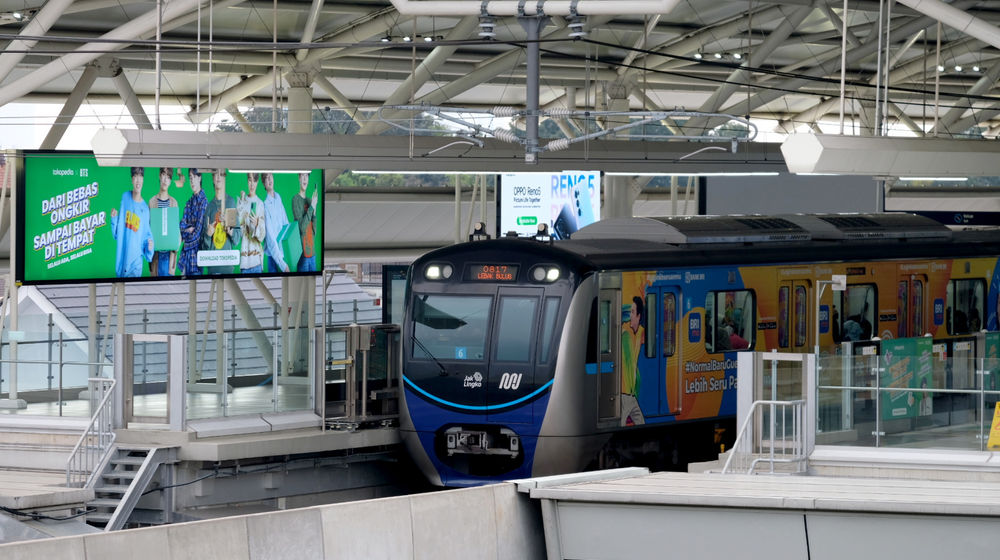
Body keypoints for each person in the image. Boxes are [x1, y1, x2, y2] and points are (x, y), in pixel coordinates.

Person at [110, 167, 154, 277]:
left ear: (143, 179)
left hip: (135, 265)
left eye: (140, 176)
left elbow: (146, 238)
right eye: (135, 177)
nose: (138, 180)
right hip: (122, 262)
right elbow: (117, 233)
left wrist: (150, 248)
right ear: (132, 179)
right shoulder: (125, 198)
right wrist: (114, 219)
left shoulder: (145, 209)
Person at [202, 169, 241, 274]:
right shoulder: (209, 207)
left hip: (228, 265)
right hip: (212, 267)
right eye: (216, 174)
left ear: (225, 177)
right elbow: (204, 246)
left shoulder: (230, 202)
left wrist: (230, 231)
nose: (218, 177)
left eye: (221, 174)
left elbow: (236, 239)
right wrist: (208, 235)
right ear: (213, 178)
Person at [148, 167, 178, 276]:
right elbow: (148, 228)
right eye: (164, 175)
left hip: (169, 254)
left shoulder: (174, 202)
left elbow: (176, 230)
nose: (165, 180)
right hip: (156, 254)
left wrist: (177, 244)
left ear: (170, 181)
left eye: (169, 177)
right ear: (160, 176)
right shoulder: (151, 202)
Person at [178, 168, 208, 276]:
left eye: (194, 177)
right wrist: (188, 229)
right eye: (190, 178)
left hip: (196, 262)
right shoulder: (188, 202)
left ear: (199, 178)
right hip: (184, 261)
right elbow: (181, 227)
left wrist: (185, 237)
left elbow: (198, 234)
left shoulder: (204, 202)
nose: (192, 181)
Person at [620, 296, 645, 426]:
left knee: (640, 421)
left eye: (633, 312)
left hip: (631, 393)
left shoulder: (641, 332)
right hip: (624, 392)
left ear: (639, 316)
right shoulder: (625, 333)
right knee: (623, 422)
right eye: (629, 312)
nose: (630, 315)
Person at [237, 172, 266, 273]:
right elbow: (239, 232)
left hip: (257, 261)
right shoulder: (242, 203)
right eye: (250, 180)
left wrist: (258, 224)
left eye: (254, 181)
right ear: (247, 181)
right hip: (245, 261)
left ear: (257, 182)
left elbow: (262, 236)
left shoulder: (260, 204)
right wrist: (240, 205)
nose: (252, 184)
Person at [261, 172, 290, 273]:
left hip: (284, 252)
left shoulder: (278, 198)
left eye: (270, 176)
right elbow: (270, 239)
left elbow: (286, 223)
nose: (269, 180)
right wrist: (282, 264)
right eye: (266, 178)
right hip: (274, 257)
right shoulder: (265, 205)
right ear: (264, 184)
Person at [292, 172, 318, 272]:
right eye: (302, 176)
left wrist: (314, 212)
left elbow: (314, 231)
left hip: (313, 254)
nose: (304, 179)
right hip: (303, 255)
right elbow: (301, 228)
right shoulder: (295, 199)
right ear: (299, 178)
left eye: (306, 176)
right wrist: (311, 208)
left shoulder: (309, 200)